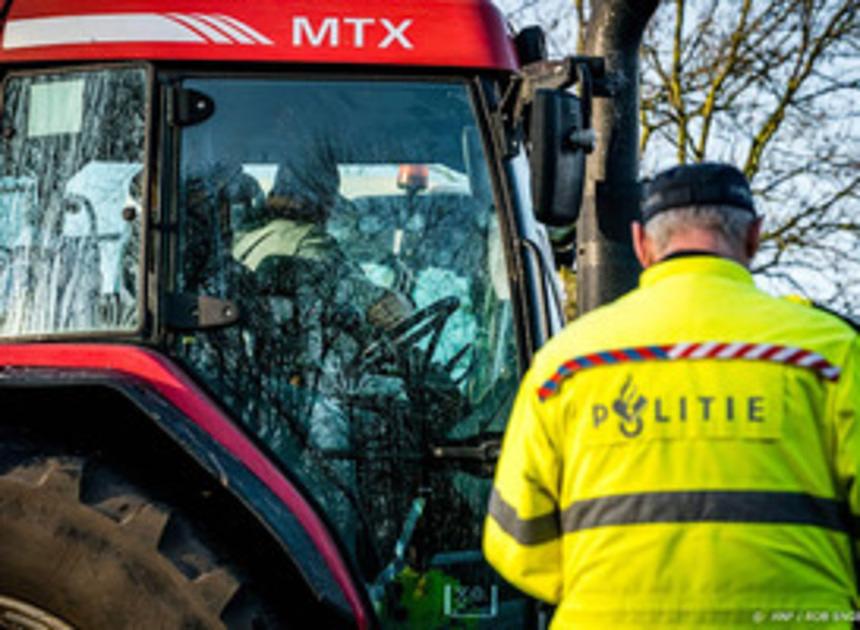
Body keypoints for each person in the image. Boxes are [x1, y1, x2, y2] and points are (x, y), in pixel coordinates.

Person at [483, 162, 860, 628]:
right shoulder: (830, 354)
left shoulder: (565, 365)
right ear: (754, 237)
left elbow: (511, 538)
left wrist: (607, 592)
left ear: (641, 244)